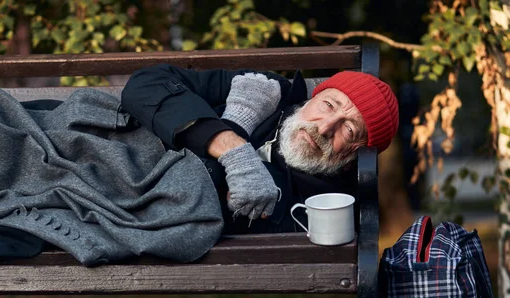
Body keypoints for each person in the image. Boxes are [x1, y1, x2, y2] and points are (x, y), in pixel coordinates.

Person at [121, 65, 399, 234]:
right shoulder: (264, 92)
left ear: (353, 157)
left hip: (125, 210)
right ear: (313, 98)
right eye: (328, 105)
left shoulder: (320, 209)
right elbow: (145, 86)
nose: (325, 127)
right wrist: (233, 143)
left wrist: (233, 128)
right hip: (114, 156)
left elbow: (183, 204)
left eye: (348, 131)